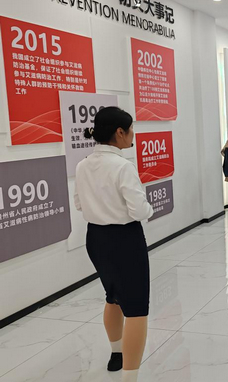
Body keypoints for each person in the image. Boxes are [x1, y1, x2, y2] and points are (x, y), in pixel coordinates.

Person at [74, 107, 153, 382]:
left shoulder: (83, 165)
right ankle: (130, 377)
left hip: (95, 239)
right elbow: (139, 210)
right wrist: (149, 209)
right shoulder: (123, 166)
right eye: (130, 130)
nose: (132, 135)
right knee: (137, 309)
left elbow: (79, 204)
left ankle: (116, 354)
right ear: (120, 132)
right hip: (125, 240)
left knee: (113, 296)